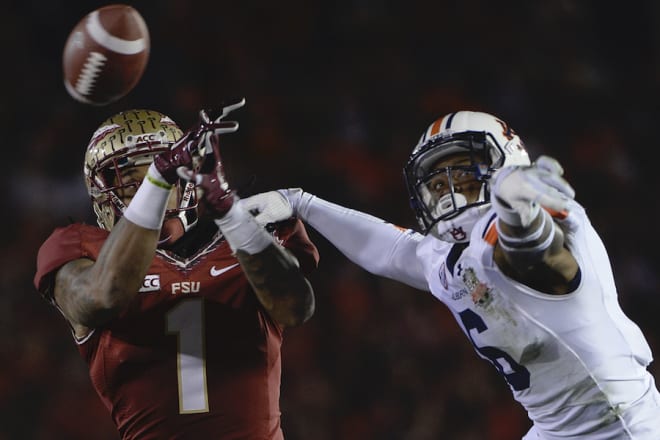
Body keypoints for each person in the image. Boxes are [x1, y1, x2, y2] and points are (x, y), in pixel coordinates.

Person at [248, 111, 660, 438]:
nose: (448, 190)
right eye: (437, 182)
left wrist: (520, 210)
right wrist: (301, 203)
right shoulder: (449, 257)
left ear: (507, 165)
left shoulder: (529, 228)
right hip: (555, 428)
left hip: (621, 425)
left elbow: (535, 253)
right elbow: (389, 249)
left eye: (463, 174)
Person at [33, 99, 319, 439]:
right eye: (128, 179)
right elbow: (101, 296)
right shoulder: (79, 247)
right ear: (101, 192)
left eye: (160, 175)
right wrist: (157, 181)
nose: (145, 188)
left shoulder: (246, 232)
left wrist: (233, 215)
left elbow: (295, 307)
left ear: (188, 179)